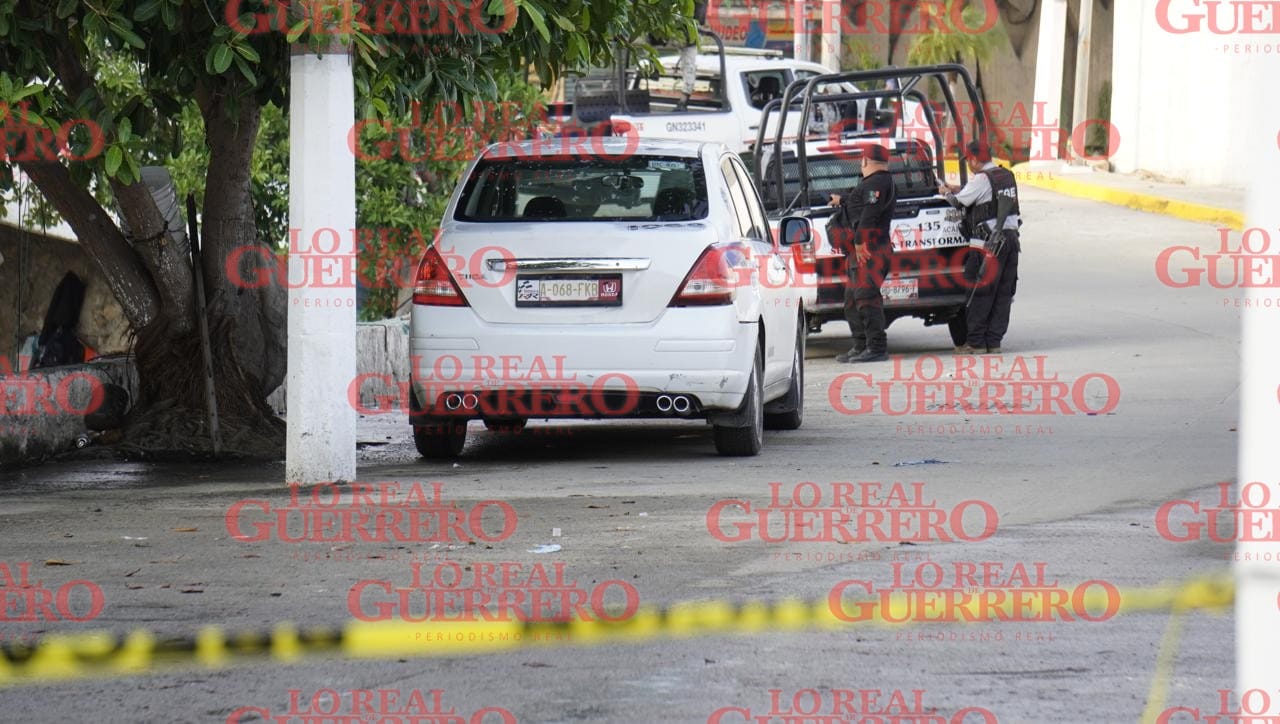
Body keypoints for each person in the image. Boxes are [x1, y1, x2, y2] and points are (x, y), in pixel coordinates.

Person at [938, 140, 1022, 355]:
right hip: (1011, 241)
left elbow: (958, 203)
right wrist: (960, 189)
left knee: (979, 293)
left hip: (987, 245)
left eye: (969, 161)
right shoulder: (1006, 176)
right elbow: (988, 196)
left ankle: (976, 343)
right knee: (1003, 294)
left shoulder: (981, 179)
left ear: (974, 159)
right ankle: (994, 342)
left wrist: (946, 192)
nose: (969, 165)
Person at [829, 144, 896, 363]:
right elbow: (862, 203)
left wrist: (859, 242)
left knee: (867, 298)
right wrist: (842, 200)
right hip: (863, 251)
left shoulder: (877, 182)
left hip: (869, 250)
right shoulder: (876, 182)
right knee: (852, 299)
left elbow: (870, 213)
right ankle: (860, 345)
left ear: (865, 161)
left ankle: (876, 348)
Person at [675, 1, 708, 112]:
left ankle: (683, 101)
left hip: (689, 32)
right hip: (685, 31)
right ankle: (683, 100)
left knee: (688, 66)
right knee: (688, 65)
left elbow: (699, 18)